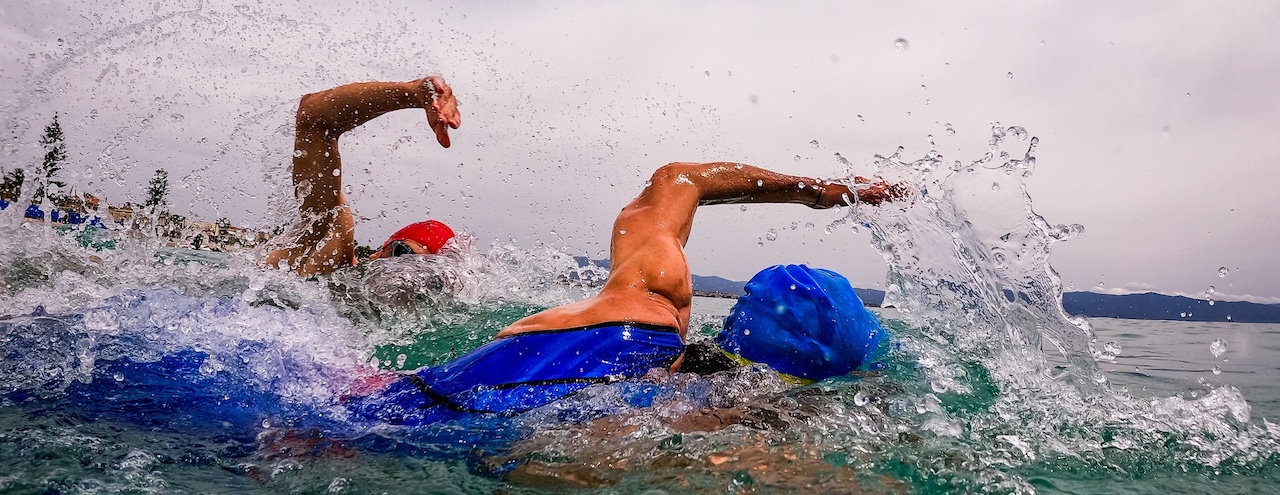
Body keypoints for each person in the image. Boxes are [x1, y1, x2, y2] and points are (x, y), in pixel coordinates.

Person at [267, 76, 899, 426]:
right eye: (404, 254)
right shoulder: (687, 406)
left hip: (329, 398)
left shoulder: (649, 297)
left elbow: (682, 178)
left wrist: (821, 191)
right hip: (346, 415)